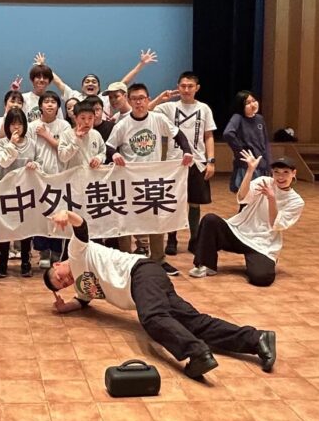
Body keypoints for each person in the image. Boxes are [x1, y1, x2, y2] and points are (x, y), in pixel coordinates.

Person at [43, 209, 277, 379]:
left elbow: (81, 227)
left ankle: (197, 354)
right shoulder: (82, 287)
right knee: (194, 323)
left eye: (59, 277)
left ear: (57, 265)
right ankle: (257, 339)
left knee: (152, 318)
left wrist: (66, 214)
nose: (65, 281)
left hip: (140, 273)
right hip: (149, 283)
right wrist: (64, 307)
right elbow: (82, 301)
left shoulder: (76, 252)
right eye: (62, 285)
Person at [106, 83, 193, 275]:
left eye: (142, 98)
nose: (138, 102)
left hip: (153, 179)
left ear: (148, 100)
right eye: (134, 99)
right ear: (129, 101)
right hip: (129, 180)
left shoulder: (158, 119)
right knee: (126, 220)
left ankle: (158, 259)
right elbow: (109, 146)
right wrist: (114, 154)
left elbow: (178, 135)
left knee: (156, 219)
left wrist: (187, 151)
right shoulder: (122, 124)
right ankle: (125, 260)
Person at [190, 153, 304, 287]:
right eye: (276, 172)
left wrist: (271, 198)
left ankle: (264, 261)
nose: (280, 177)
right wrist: (250, 171)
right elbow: (242, 197)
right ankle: (206, 264)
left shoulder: (296, 201)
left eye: (285, 172)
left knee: (262, 279)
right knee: (210, 220)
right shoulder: (264, 182)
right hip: (239, 232)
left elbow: (275, 224)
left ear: (293, 173)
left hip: (263, 243)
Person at [152, 72, 217, 255]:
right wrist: (160, 98)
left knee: (195, 203)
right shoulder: (169, 107)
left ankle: (194, 239)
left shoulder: (204, 108)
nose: (186, 89)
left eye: (190, 86)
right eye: (183, 86)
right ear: (178, 87)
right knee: (173, 202)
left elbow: (208, 135)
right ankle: (172, 239)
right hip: (175, 162)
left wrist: (211, 160)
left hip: (198, 161)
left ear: (197, 88)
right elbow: (145, 110)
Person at [0, 108, 39, 277]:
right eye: (13, 124)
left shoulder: (32, 143)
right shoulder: (0, 143)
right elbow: (4, 162)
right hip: (6, 192)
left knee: (25, 227)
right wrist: (11, 144)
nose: (16, 127)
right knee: (4, 226)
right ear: (7, 126)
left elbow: (39, 162)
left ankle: (25, 261)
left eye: (19, 123)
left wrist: (35, 165)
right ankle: (2, 260)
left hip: (26, 192)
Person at [27, 90, 71, 268]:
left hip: (60, 177)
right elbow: (28, 150)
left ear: (58, 106)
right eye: (46, 102)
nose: (50, 104)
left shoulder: (64, 126)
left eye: (53, 102)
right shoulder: (32, 126)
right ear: (40, 106)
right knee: (40, 215)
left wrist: (46, 135)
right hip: (38, 178)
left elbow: (65, 150)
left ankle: (56, 252)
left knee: (58, 214)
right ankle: (43, 252)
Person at [223, 90, 272, 194]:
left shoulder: (260, 119)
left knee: (262, 195)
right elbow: (228, 133)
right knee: (246, 196)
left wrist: (269, 163)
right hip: (247, 165)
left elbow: (265, 142)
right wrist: (240, 150)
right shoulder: (238, 117)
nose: (253, 104)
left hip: (261, 163)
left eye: (254, 101)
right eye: (248, 103)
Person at [58, 100, 107, 171]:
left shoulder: (96, 134)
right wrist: (76, 139)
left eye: (90, 118)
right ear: (75, 118)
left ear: (94, 118)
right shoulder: (66, 134)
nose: (87, 122)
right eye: (83, 118)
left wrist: (98, 158)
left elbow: (103, 152)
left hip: (92, 175)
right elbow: (62, 157)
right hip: (72, 176)